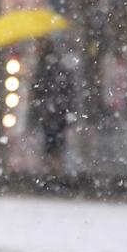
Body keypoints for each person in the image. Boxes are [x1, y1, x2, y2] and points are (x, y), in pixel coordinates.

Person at [29, 35, 82, 182]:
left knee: (50, 144)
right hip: (59, 112)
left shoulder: (43, 66)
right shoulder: (59, 64)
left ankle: (51, 175)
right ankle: (57, 175)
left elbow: (39, 89)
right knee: (58, 144)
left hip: (49, 112)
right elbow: (68, 89)